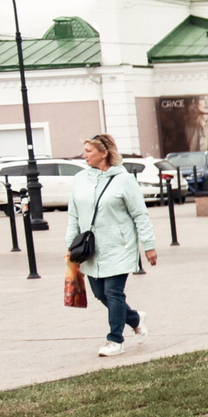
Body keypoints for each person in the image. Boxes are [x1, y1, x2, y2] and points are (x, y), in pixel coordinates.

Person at [65, 133, 157, 359]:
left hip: (120, 246)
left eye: (89, 151)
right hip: (90, 249)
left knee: (113, 292)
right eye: (84, 150)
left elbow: (139, 214)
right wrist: (70, 247)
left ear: (104, 153)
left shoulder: (124, 180)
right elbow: (73, 216)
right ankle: (135, 319)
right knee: (100, 293)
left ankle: (115, 339)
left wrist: (149, 245)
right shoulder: (79, 180)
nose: (84, 155)